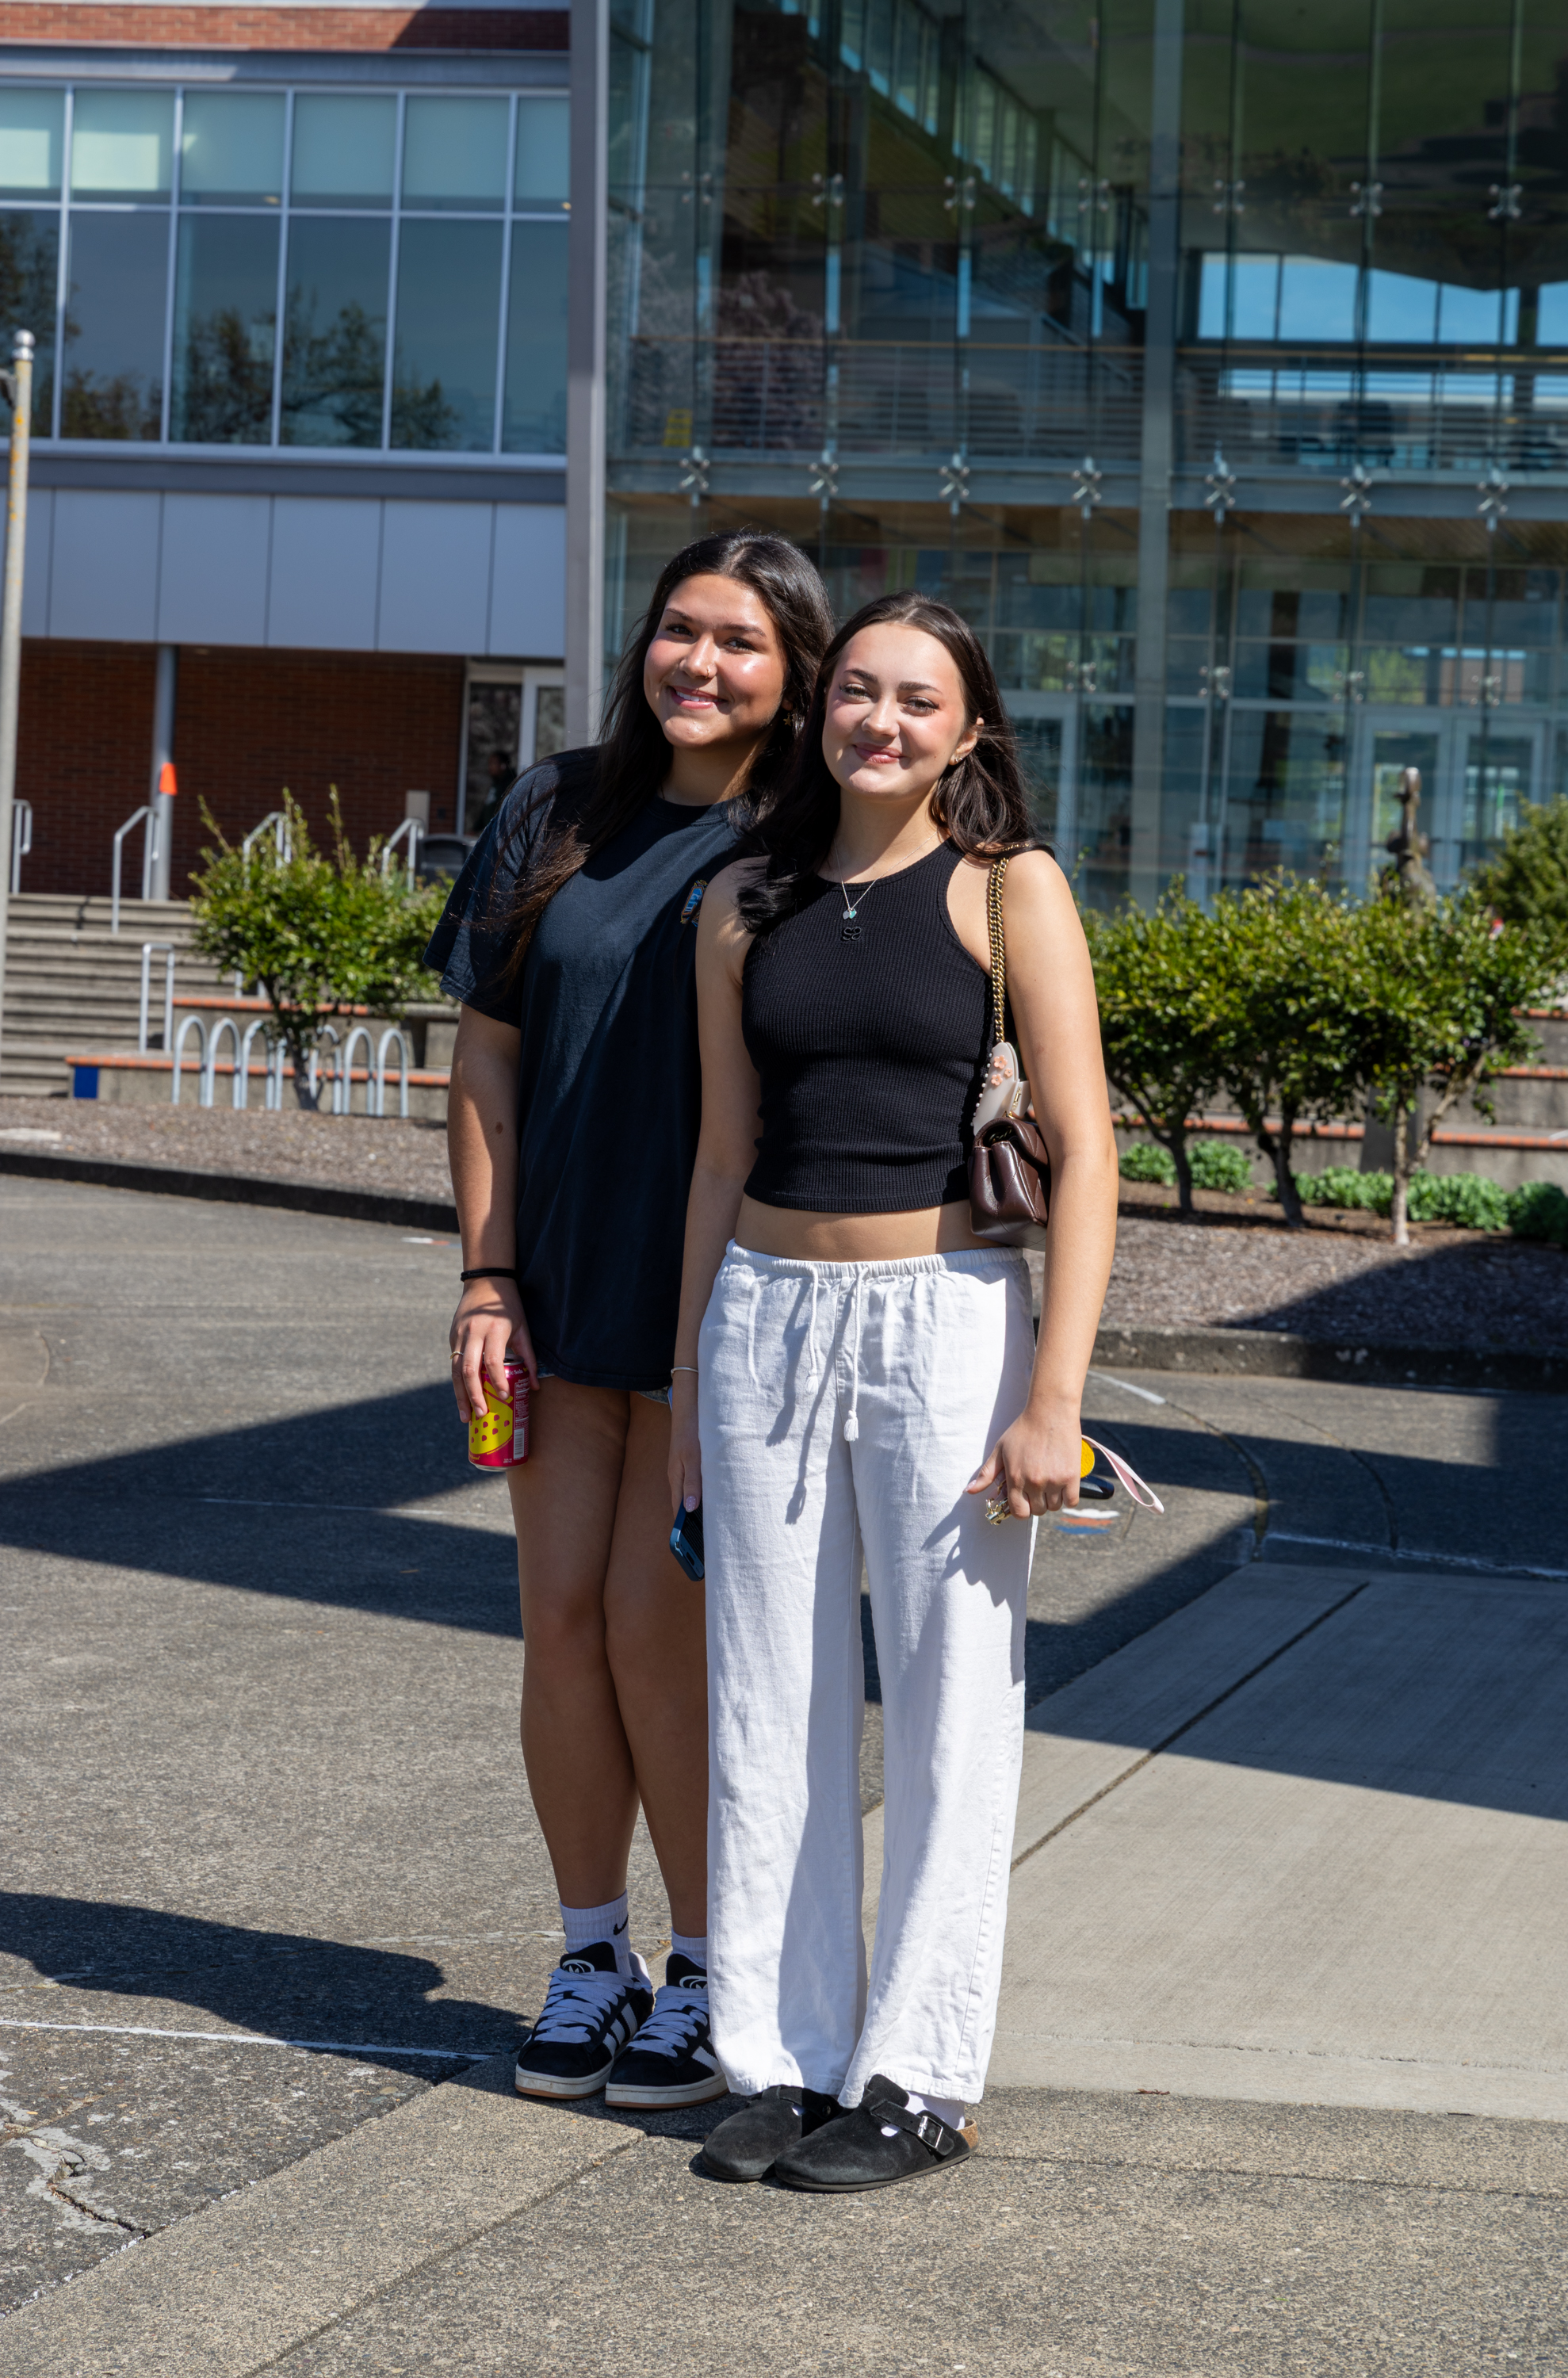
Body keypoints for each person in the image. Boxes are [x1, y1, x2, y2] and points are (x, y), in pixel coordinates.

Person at [667, 592, 1117, 2189]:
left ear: (967, 727)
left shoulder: (1009, 889)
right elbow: (720, 1155)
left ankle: (916, 2078)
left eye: (918, 699)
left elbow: (1085, 1156)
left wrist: (1052, 1399)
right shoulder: (743, 901)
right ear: (819, 710)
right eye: (856, 689)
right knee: (763, 1703)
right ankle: (782, 2062)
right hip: (762, 1317)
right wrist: (687, 1396)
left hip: (947, 1320)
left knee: (945, 1706)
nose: (880, 720)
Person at [429, 530, 832, 2109]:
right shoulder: (558, 806)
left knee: (663, 1646)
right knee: (561, 1627)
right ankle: (590, 1957)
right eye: (680, 629)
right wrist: (485, 1274)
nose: (699, 664)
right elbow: (486, 1053)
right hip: (551, 1289)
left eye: (739, 642)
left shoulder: (806, 838)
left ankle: (712, 1965)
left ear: (793, 672)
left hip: (718, 1306)